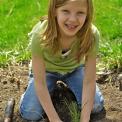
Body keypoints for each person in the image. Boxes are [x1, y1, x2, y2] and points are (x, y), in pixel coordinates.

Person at [19, 0, 104, 122]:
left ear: (88, 13)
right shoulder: (40, 35)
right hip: (46, 72)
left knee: (96, 106)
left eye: (80, 12)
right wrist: (55, 119)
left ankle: (66, 92)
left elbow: (89, 81)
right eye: (66, 11)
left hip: (75, 69)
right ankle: (30, 94)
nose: (73, 19)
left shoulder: (91, 34)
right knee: (30, 113)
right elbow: (41, 83)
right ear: (54, 11)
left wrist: (84, 119)